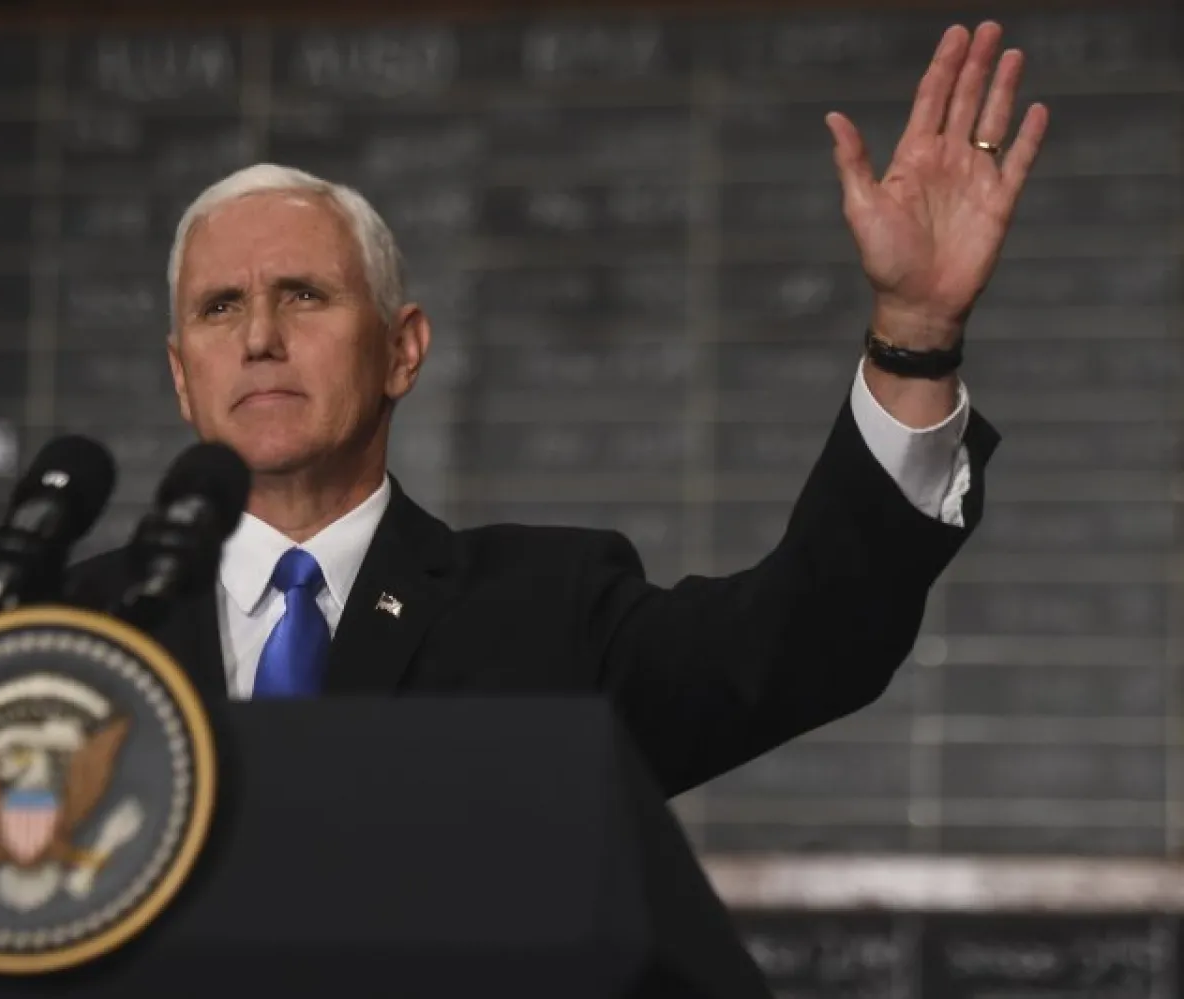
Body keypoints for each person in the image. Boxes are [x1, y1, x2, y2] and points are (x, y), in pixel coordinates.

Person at [68, 22, 1048, 798]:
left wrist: (913, 332)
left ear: (403, 350)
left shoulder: (547, 617)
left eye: (305, 295)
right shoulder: (68, 633)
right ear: (181, 374)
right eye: (219, 307)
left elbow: (800, 644)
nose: (258, 339)